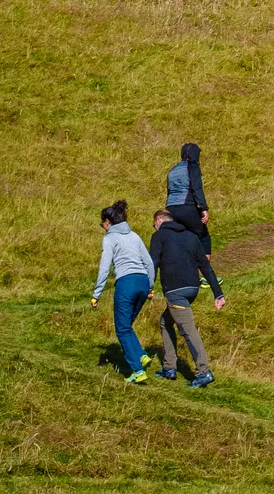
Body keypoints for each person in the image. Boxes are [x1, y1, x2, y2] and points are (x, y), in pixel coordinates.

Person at [149, 207, 225, 388]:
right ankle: (169, 367)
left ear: (159, 221)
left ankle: (203, 371)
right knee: (165, 322)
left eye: (154, 225)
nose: (154, 228)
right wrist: (218, 293)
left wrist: (149, 286)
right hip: (192, 289)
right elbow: (206, 267)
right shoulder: (191, 236)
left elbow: (153, 262)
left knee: (187, 329)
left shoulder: (159, 236)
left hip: (175, 290)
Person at [91, 200, 156, 382]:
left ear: (107, 222)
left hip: (126, 283)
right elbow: (149, 263)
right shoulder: (134, 236)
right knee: (127, 324)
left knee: (121, 328)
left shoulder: (109, 238)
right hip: (143, 282)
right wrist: (150, 286)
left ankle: (137, 370)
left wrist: (96, 295)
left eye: (102, 224)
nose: (102, 228)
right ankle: (142, 355)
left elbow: (104, 268)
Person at [166, 142, 210, 246]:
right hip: (186, 206)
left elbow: (169, 191)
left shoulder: (173, 170)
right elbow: (196, 188)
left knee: (179, 237)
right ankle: (203, 262)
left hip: (170, 207)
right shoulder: (193, 166)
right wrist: (203, 208)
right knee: (203, 236)